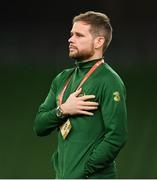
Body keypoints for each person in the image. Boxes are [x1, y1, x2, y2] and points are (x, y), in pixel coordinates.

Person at [33, 11, 128, 179]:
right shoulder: (63, 78)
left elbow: (117, 137)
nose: (70, 39)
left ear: (99, 41)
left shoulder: (109, 80)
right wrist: (63, 110)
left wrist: (85, 169)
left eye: (79, 35)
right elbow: (39, 126)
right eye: (71, 34)